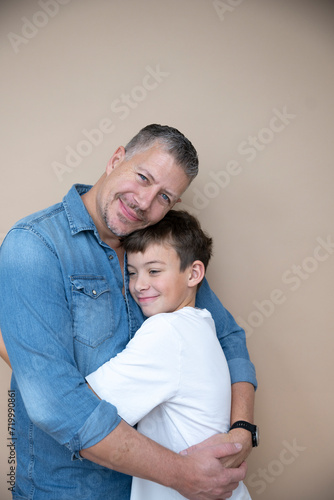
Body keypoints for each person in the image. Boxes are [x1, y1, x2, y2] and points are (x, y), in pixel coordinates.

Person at [0, 124, 257, 500]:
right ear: (117, 158)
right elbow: (56, 404)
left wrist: (243, 428)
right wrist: (180, 473)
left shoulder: (157, 249)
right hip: (71, 490)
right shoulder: (35, 246)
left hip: (152, 490)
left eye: (164, 197)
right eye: (142, 177)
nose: (144, 202)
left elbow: (228, 337)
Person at [86, 209, 252, 500]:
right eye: (132, 272)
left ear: (194, 273)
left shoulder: (167, 332)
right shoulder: (201, 323)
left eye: (154, 271)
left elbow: (84, 406)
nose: (139, 285)